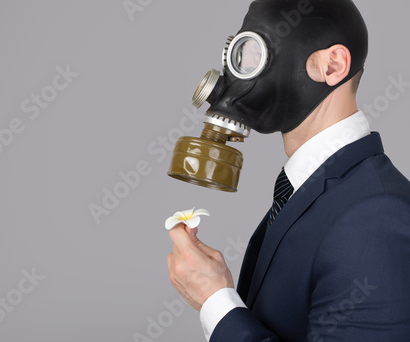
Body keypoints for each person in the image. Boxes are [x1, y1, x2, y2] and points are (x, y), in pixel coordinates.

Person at [166, 0, 410, 341]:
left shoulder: (377, 218)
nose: (237, 75)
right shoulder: (307, 190)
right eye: (237, 55)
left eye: (255, 53)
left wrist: (216, 302)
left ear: (333, 66)